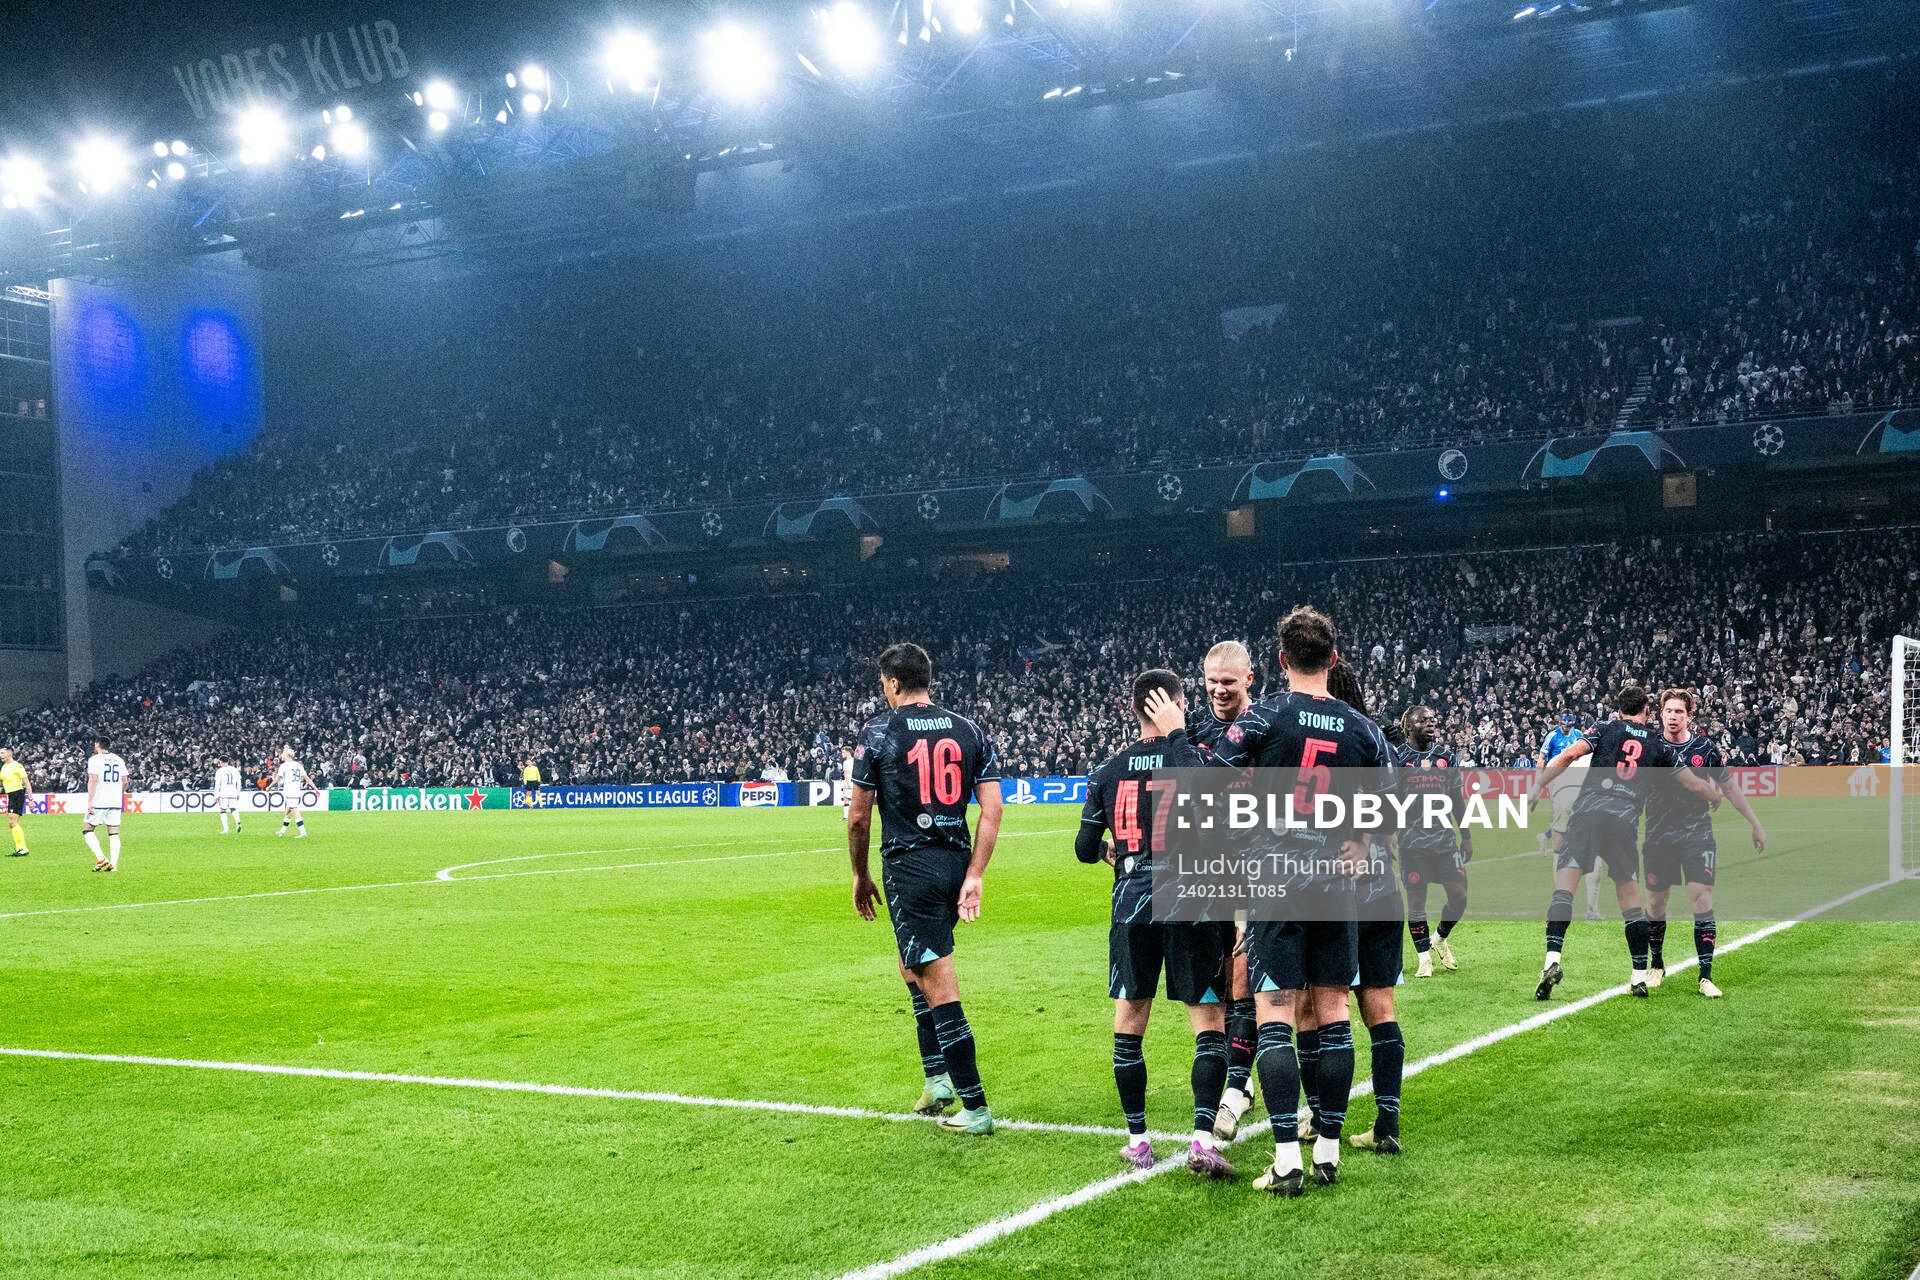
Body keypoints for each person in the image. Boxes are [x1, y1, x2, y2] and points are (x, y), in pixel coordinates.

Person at [1212, 608, 1394, 1196]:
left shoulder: (1264, 716)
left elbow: (1212, 775)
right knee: (1336, 1012)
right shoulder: (1362, 729)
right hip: (1336, 884)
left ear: (1282, 660)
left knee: (1277, 1017)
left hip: (1276, 877)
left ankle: (1286, 1158)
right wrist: (1360, 838)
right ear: (1334, 659)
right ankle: (1330, 1150)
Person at [1079, 669, 1234, 1177]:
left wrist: (1113, 851)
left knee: (1130, 1023)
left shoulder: (1107, 770)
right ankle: (1202, 1139)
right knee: (1208, 1023)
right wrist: (1178, 735)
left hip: (1131, 901)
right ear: (1179, 704)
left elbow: (1083, 850)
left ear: (1133, 708)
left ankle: (1139, 1140)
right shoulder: (1191, 756)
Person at [848, 642, 1003, 1136]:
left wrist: (859, 874)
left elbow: (857, 817)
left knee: (938, 984)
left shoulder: (878, 732)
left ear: (893, 682)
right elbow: (993, 808)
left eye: (882, 683)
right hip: (955, 861)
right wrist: (975, 873)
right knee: (911, 964)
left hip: (910, 866)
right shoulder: (968, 729)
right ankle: (937, 1079)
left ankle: (975, 1105)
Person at [1532, 686, 1721, 1000]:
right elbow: (1690, 782)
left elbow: (1568, 755)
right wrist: (1713, 795)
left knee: (1564, 889)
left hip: (1588, 812)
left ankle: (1552, 960)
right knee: (1631, 904)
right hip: (1623, 820)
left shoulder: (1603, 728)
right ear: (1648, 712)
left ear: (1619, 709)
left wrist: (1538, 784)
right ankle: (1637, 978)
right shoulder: (1659, 744)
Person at [1642, 688, 1766, 998]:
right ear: (1660, 714)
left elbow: (1730, 788)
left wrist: (1754, 822)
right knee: (1657, 904)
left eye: (1679, 712)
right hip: (1658, 836)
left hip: (1697, 834)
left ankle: (1705, 976)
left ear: (1689, 716)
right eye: (1668, 711)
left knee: (1702, 899)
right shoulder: (1650, 748)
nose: (1673, 716)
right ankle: (1656, 963)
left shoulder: (1705, 749)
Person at [1187, 639, 1260, 1141]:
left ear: (1249, 679)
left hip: (1254, 862)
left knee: (1242, 976)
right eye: (1212, 681)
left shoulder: (1262, 729)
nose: (1218, 690)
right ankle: (1238, 1077)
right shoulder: (1194, 727)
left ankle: (1235, 1088)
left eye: (1228, 682)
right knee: (1213, 981)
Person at [1393, 705, 1473, 979]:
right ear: (1409, 726)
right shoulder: (1398, 758)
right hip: (1412, 843)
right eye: (1423, 719)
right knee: (1416, 900)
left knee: (1460, 897)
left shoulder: (1445, 756)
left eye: (1432, 719)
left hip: (1444, 841)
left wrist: (1467, 835)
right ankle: (1423, 959)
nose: (1430, 723)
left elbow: (1456, 799)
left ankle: (1439, 938)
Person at [84, 735, 128, 872]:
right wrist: (118, 794)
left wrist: (90, 801)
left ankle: (101, 858)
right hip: (115, 801)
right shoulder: (119, 759)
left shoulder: (94, 759)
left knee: (87, 829)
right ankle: (114, 865)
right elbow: (125, 781)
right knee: (114, 833)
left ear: (97, 745)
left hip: (100, 800)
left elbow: (93, 780)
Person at [274, 747, 313, 838]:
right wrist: (315, 789)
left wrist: (269, 787)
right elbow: (307, 778)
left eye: (283, 754)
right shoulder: (298, 765)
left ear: (287, 755)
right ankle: (282, 831)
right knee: (287, 811)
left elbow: (277, 779)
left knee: (295, 809)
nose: (281, 755)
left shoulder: (284, 766)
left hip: (291, 791)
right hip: (296, 790)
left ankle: (303, 832)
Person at [2, 746, 32, 857]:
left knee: (12, 822)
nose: (1, 755)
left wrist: (31, 799)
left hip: (17, 794)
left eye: (2, 753)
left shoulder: (17, 766)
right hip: (10, 794)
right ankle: (21, 848)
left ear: (9, 753)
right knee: (12, 822)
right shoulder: (4, 767)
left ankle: (23, 848)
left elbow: (26, 782)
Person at [213, 757, 243, 834]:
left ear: (222, 762)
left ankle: (226, 829)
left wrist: (216, 795)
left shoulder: (220, 771)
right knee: (233, 808)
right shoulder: (235, 770)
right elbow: (239, 782)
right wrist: (238, 793)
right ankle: (238, 822)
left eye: (220, 762)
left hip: (224, 793)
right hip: (233, 792)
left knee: (223, 810)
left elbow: (217, 784)